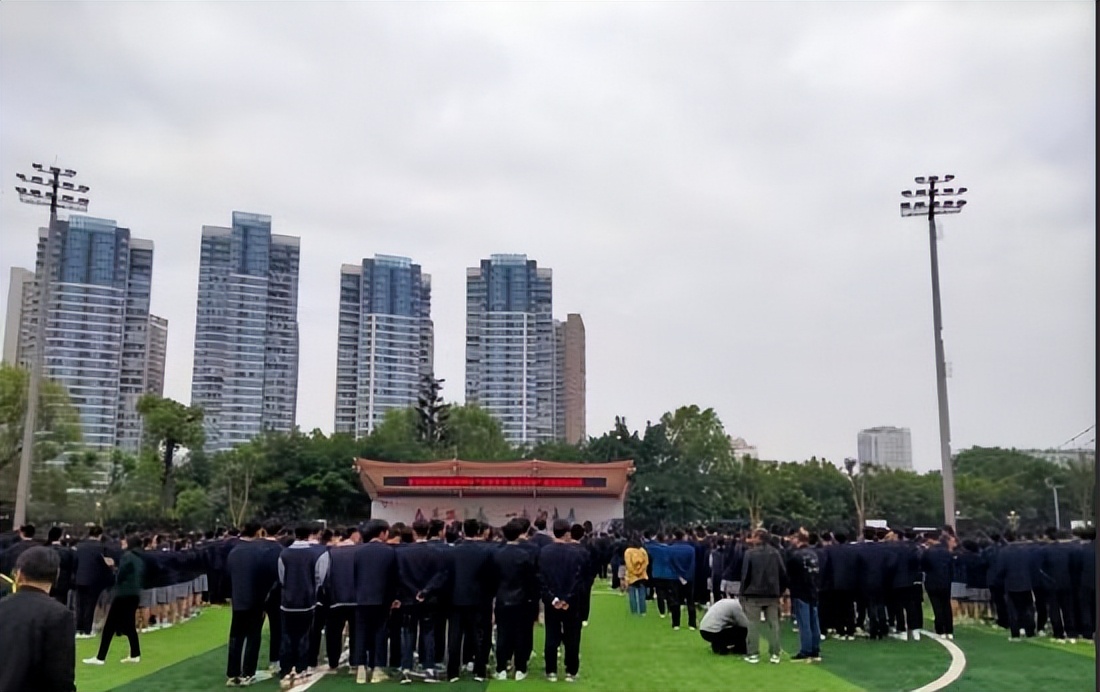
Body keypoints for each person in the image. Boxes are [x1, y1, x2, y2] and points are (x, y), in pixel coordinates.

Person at [0, 547, 76, 692]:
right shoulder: (59, 615)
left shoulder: (3, 606)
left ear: (19, 574)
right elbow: (60, 676)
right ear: (57, 575)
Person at [225, 522, 279, 687]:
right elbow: (265, 578)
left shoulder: (233, 552)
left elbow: (228, 575)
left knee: (236, 637)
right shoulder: (259, 552)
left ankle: (233, 674)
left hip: (238, 600)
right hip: (255, 600)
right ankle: (248, 672)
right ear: (258, 532)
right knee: (253, 636)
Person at [277, 524, 331, 689]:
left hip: (287, 601)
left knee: (287, 636)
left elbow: (281, 577)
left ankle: (285, 669)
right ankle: (301, 669)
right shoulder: (318, 553)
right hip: (307, 601)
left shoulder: (284, 553)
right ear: (310, 535)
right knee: (304, 636)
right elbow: (321, 578)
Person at [83, 533, 145, 666]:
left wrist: (111, 567)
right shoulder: (139, 557)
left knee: (109, 626)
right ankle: (135, 654)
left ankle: (100, 657)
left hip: (123, 594)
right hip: (135, 593)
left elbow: (120, 576)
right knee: (129, 625)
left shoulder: (127, 557)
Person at [539, 518, 588, 683]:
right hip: (571, 602)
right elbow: (578, 579)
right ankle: (571, 671)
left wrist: (552, 598)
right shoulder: (576, 552)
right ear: (567, 533)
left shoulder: (544, 552)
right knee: (572, 637)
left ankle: (551, 670)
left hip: (552, 600)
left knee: (551, 635)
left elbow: (541, 578)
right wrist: (567, 598)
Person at [492, 519, 539, 681]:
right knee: (521, 634)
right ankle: (520, 668)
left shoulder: (497, 554)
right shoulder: (525, 555)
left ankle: (501, 668)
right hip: (522, 600)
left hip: (502, 599)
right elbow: (531, 580)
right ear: (519, 535)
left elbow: (492, 580)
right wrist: (534, 601)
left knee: (503, 634)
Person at [740, 529, 788, 664]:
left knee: (753, 624)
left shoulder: (749, 554)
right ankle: (775, 654)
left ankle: (753, 653)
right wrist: (780, 591)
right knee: (773, 624)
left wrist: (742, 592)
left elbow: (745, 575)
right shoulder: (775, 553)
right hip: (772, 594)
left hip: (753, 593)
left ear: (758, 538)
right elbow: (783, 573)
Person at [786, 530, 822, 662]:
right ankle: (815, 648)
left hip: (800, 591)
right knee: (814, 621)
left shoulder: (795, 556)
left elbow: (789, 574)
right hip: (813, 590)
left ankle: (805, 650)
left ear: (798, 539)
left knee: (804, 623)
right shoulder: (815, 554)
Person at [623, 535, 649, 615]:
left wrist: (634, 572)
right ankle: (642, 611)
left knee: (632, 594)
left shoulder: (628, 551)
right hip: (642, 575)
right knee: (642, 594)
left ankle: (634, 611)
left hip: (632, 576)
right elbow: (646, 562)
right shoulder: (642, 551)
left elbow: (628, 564)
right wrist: (640, 571)